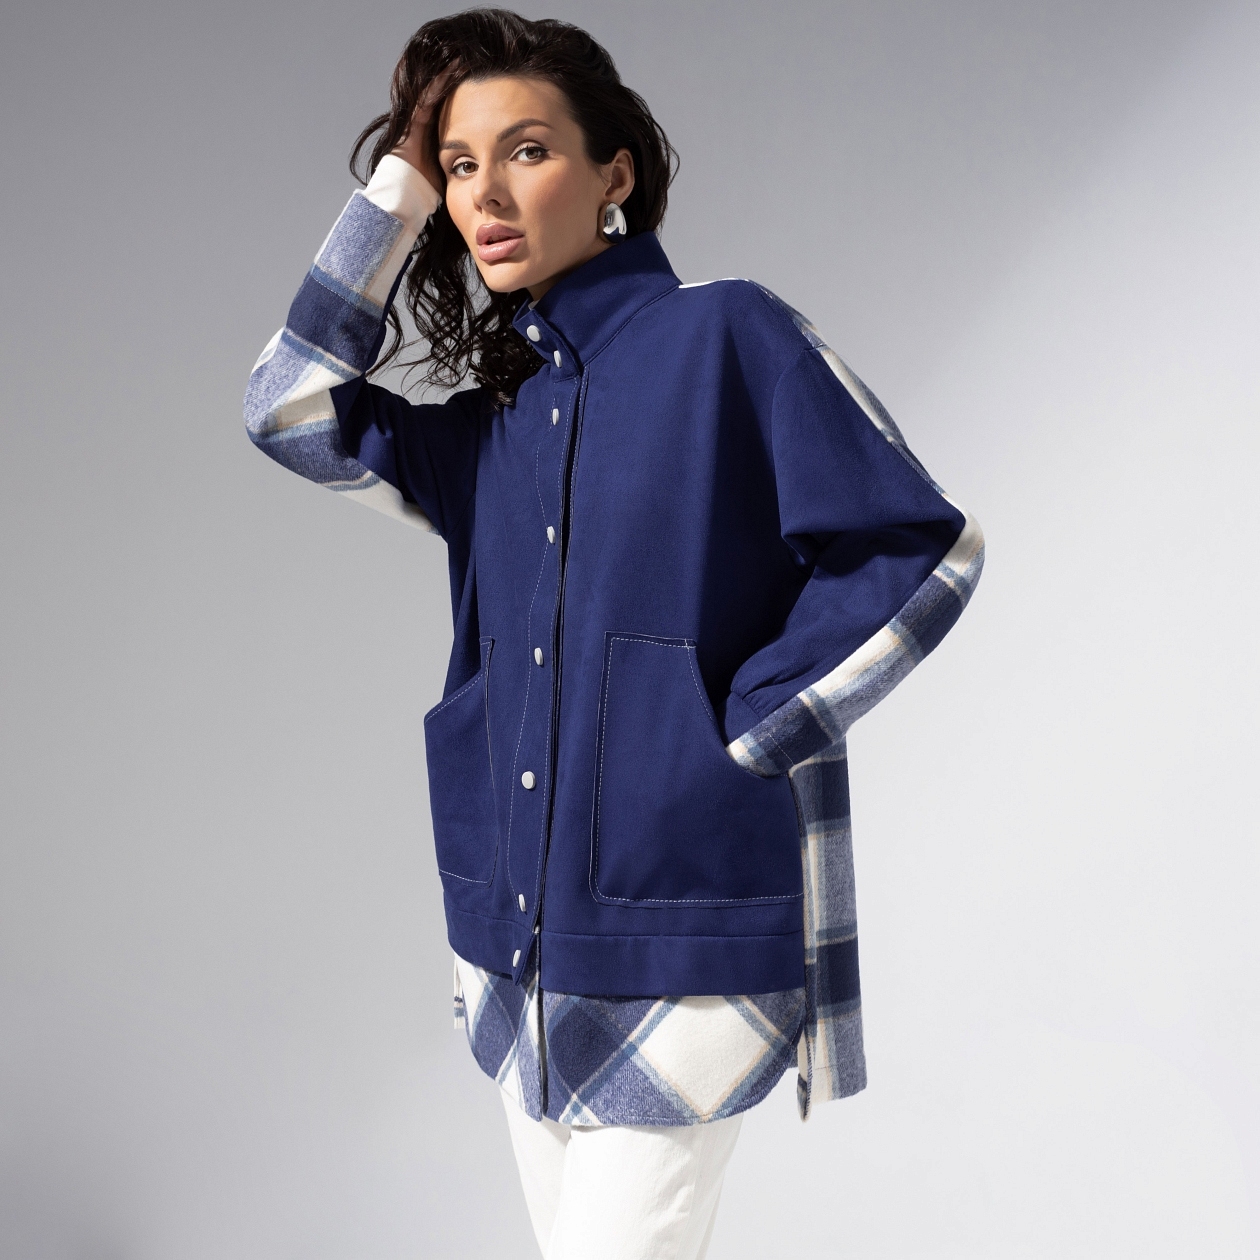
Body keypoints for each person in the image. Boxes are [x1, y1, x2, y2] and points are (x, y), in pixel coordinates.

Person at [243, 9, 984, 1258]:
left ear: (614, 175)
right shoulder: (495, 420)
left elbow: (920, 545)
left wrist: (746, 733)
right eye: (461, 165)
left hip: (681, 930)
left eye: (525, 151)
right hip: (519, 948)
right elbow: (288, 406)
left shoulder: (727, 334)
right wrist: (397, 190)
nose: (487, 194)